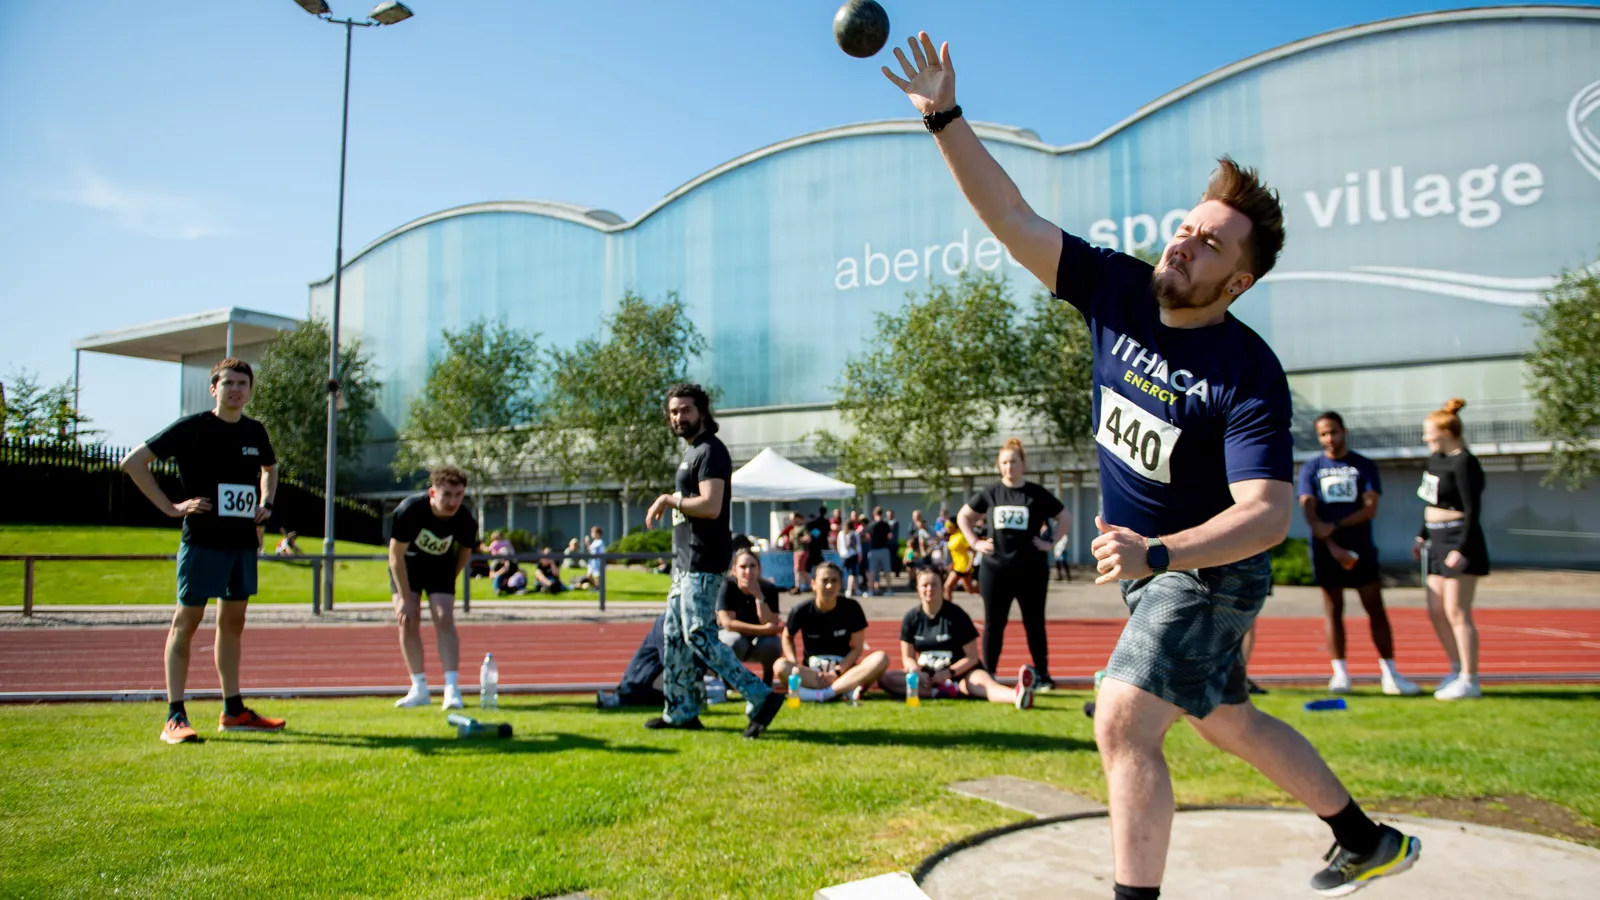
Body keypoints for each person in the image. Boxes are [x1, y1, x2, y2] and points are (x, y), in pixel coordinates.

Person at [882, 33, 1420, 897]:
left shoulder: (1246, 371)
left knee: (1124, 719)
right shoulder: (1120, 292)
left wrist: (1159, 555)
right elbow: (1014, 220)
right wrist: (943, 118)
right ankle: (1363, 838)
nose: (1184, 246)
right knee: (1228, 718)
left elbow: (1267, 514)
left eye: (1209, 246)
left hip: (1207, 573)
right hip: (1152, 565)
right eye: (1186, 229)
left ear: (1237, 282)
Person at [121, 358, 285, 745]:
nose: (235, 389)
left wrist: (267, 503)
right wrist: (171, 507)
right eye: (228, 382)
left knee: (233, 625)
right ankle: (174, 716)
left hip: (242, 544)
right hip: (203, 541)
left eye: (242, 383)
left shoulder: (255, 430)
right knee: (187, 623)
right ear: (214, 388)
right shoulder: (192, 428)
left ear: (249, 390)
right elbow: (133, 462)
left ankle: (233, 711)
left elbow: (270, 468)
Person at [643, 383, 785, 737]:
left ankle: (760, 695)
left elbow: (710, 505)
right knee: (673, 634)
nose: (679, 417)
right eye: (674, 411)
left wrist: (668, 499)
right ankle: (681, 711)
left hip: (703, 561)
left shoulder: (711, 451)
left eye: (686, 410)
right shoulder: (693, 452)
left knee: (698, 635)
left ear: (702, 412)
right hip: (684, 561)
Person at [1298, 411, 1420, 696]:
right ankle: (1339, 673)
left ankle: (1390, 672)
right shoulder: (1311, 467)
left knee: (1374, 607)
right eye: (1323, 434)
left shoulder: (1363, 465)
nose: (1330, 439)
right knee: (1333, 609)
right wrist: (1331, 544)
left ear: (1344, 431)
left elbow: (1370, 508)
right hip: (1326, 551)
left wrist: (1336, 527)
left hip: (1361, 547)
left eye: (1334, 432)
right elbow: (1308, 508)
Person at [959, 438, 1071, 692]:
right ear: (999, 466)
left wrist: (1051, 542)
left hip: (1031, 570)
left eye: (1013, 462)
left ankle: (1042, 675)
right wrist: (975, 543)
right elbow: (964, 516)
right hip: (995, 570)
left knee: (1034, 622)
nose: (1009, 467)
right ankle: (989, 675)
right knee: (993, 624)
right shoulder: (990, 492)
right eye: (1004, 463)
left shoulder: (1035, 493)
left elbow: (1064, 516)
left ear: (1023, 464)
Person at [1414, 398, 1489, 701]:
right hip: (1435, 539)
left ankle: (1470, 679)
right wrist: (1421, 536)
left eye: (1428, 432)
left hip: (1459, 540)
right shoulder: (1436, 460)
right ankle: (1455, 668)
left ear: (1446, 431)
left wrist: (1462, 548)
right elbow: (1431, 501)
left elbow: (1473, 510)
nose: (1424, 438)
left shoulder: (1465, 462)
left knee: (1457, 611)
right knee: (1436, 610)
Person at [880, 568, 1035, 709]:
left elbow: (972, 657)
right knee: (886, 679)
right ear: (917, 588)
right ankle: (939, 692)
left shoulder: (957, 616)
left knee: (982, 683)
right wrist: (916, 672)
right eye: (924, 585)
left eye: (934, 584)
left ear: (942, 587)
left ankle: (1017, 696)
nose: (929, 589)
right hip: (927, 677)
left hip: (962, 675)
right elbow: (907, 656)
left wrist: (949, 673)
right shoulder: (911, 618)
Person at [388, 467, 477, 709]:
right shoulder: (410, 511)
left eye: (459, 495)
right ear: (432, 492)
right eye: (447, 494)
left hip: (441, 566)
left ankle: (451, 688)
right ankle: (418, 687)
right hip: (408, 566)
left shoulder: (466, 520)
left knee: (444, 616)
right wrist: (406, 598)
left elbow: (464, 554)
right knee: (407, 618)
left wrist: (450, 578)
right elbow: (395, 556)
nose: (453, 501)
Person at [775, 561, 890, 703]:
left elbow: (857, 648)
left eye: (834, 581)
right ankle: (843, 691)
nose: (829, 585)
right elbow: (787, 636)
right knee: (780, 666)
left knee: (881, 658)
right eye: (824, 581)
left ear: (840, 584)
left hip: (844, 673)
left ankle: (826, 693)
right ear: (813, 584)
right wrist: (793, 662)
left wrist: (836, 672)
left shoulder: (852, 608)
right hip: (813, 675)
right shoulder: (800, 610)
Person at [716, 549, 785, 685]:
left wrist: (759, 597)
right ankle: (727, 681)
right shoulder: (727, 586)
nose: (748, 571)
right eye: (743, 567)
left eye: (752, 566)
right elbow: (728, 624)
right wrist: (764, 630)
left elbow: (769, 621)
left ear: (759, 568)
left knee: (773, 644)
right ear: (735, 570)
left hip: (759, 642)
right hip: (735, 638)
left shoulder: (769, 589)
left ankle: (767, 679)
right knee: (734, 641)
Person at [944, 515, 977, 602]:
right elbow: (957, 553)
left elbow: (973, 551)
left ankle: (947, 609)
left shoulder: (961, 537)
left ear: (954, 526)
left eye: (949, 526)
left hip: (963, 567)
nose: (947, 529)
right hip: (958, 565)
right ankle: (987, 592)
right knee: (970, 589)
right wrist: (953, 563)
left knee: (947, 586)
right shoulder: (952, 536)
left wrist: (970, 565)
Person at [866, 506, 894, 596]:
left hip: (873, 550)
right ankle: (889, 590)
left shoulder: (871, 525)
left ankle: (870, 590)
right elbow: (890, 536)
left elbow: (867, 537)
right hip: (884, 549)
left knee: (871, 571)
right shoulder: (886, 524)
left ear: (874, 514)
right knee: (887, 571)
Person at [836, 514, 863, 595]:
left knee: (842, 572)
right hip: (852, 555)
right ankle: (849, 589)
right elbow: (858, 546)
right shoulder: (855, 533)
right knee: (852, 574)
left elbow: (838, 545)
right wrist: (860, 555)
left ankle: (849, 588)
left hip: (843, 556)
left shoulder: (841, 533)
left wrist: (840, 552)